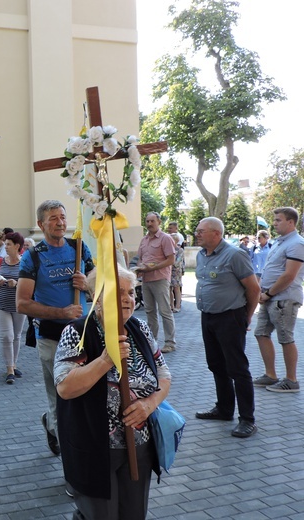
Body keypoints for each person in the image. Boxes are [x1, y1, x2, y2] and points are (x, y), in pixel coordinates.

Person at [55, 265, 171, 519]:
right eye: (120, 292)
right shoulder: (77, 332)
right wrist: (106, 360)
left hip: (138, 444)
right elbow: (65, 387)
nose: (129, 298)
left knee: (133, 513)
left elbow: (164, 375)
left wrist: (149, 404)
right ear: (99, 297)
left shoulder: (139, 328)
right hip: (93, 447)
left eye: (131, 292)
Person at [16, 200, 94, 471]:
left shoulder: (79, 248)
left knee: (86, 396)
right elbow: (22, 304)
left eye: (62, 217)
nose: (60, 222)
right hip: (51, 338)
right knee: (61, 400)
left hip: (85, 336)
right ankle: (73, 472)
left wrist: (88, 283)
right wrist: (62, 312)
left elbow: (99, 289)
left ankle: (54, 425)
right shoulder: (33, 256)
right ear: (41, 224)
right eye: (53, 218)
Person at [194, 217, 260, 437]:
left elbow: (253, 289)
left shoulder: (235, 255)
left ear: (216, 233)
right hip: (208, 317)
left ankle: (247, 419)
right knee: (216, 365)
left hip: (230, 318)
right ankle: (224, 409)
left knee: (238, 369)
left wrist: (246, 318)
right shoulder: (201, 255)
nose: (197, 233)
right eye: (197, 230)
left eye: (201, 231)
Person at [253, 207, 304, 393]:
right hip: (270, 297)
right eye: (274, 220)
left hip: (284, 298)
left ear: (291, 222)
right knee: (261, 333)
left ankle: (291, 380)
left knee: (285, 337)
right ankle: (270, 375)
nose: (274, 223)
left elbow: (289, 275)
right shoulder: (279, 242)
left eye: (278, 220)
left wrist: (269, 293)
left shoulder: (297, 243)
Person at [135, 212, 177, 353]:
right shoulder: (144, 240)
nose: (149, 224)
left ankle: (170, 343)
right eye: (147, 221)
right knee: (150, 311)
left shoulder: (165, 238)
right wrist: (140, 268)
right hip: (146, 280)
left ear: (159, 222)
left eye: (152, 221)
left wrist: (152, 267)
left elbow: (171, 259)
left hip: (160, 279)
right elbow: (141, 259)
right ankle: (151, 342)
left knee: (165, 311)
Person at [0, 232, 27, 384]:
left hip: (19, 305)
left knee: (17, 336)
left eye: (9, 244)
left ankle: (14, 363)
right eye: (5, 244)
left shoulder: (25, 263)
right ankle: (9, 369)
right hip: (0, 304)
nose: (6, 246)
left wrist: (16, 284)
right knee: (7, 336)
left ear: (17, 246)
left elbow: (31, 283)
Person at [169, 233, 184, 313]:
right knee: (169, 288)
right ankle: (171, 305)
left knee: (176, 288)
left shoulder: (180, 250)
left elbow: (177, 262)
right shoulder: (167, 249)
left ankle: (177, 306)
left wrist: (170, 262)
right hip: (168, 271)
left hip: (176, 271)